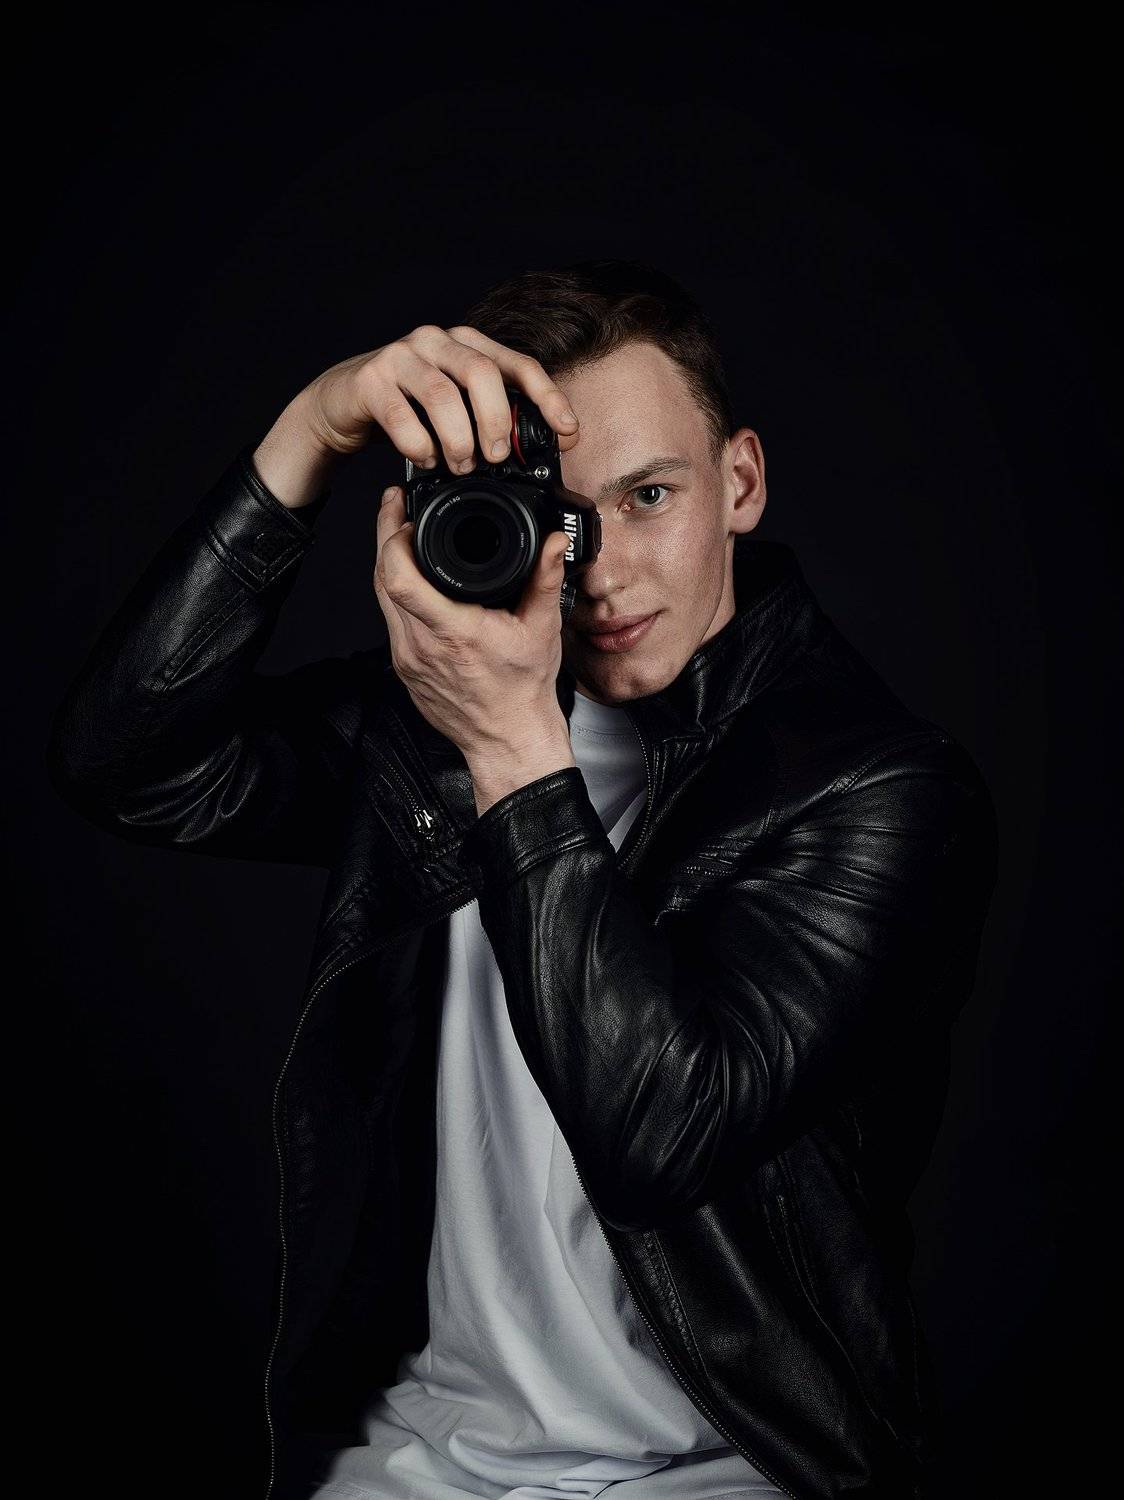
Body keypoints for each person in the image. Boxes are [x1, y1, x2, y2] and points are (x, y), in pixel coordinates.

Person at [44, 258, 998, 1500]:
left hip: (737, 1461)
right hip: (431, 1453)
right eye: (561, 513)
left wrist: (512, 755)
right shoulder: (435, 725)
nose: (601, 572)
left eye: (649, 495)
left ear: (740, 483)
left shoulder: (878, 788)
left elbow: (660, 1136)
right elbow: (127, 765)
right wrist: (312, 429)